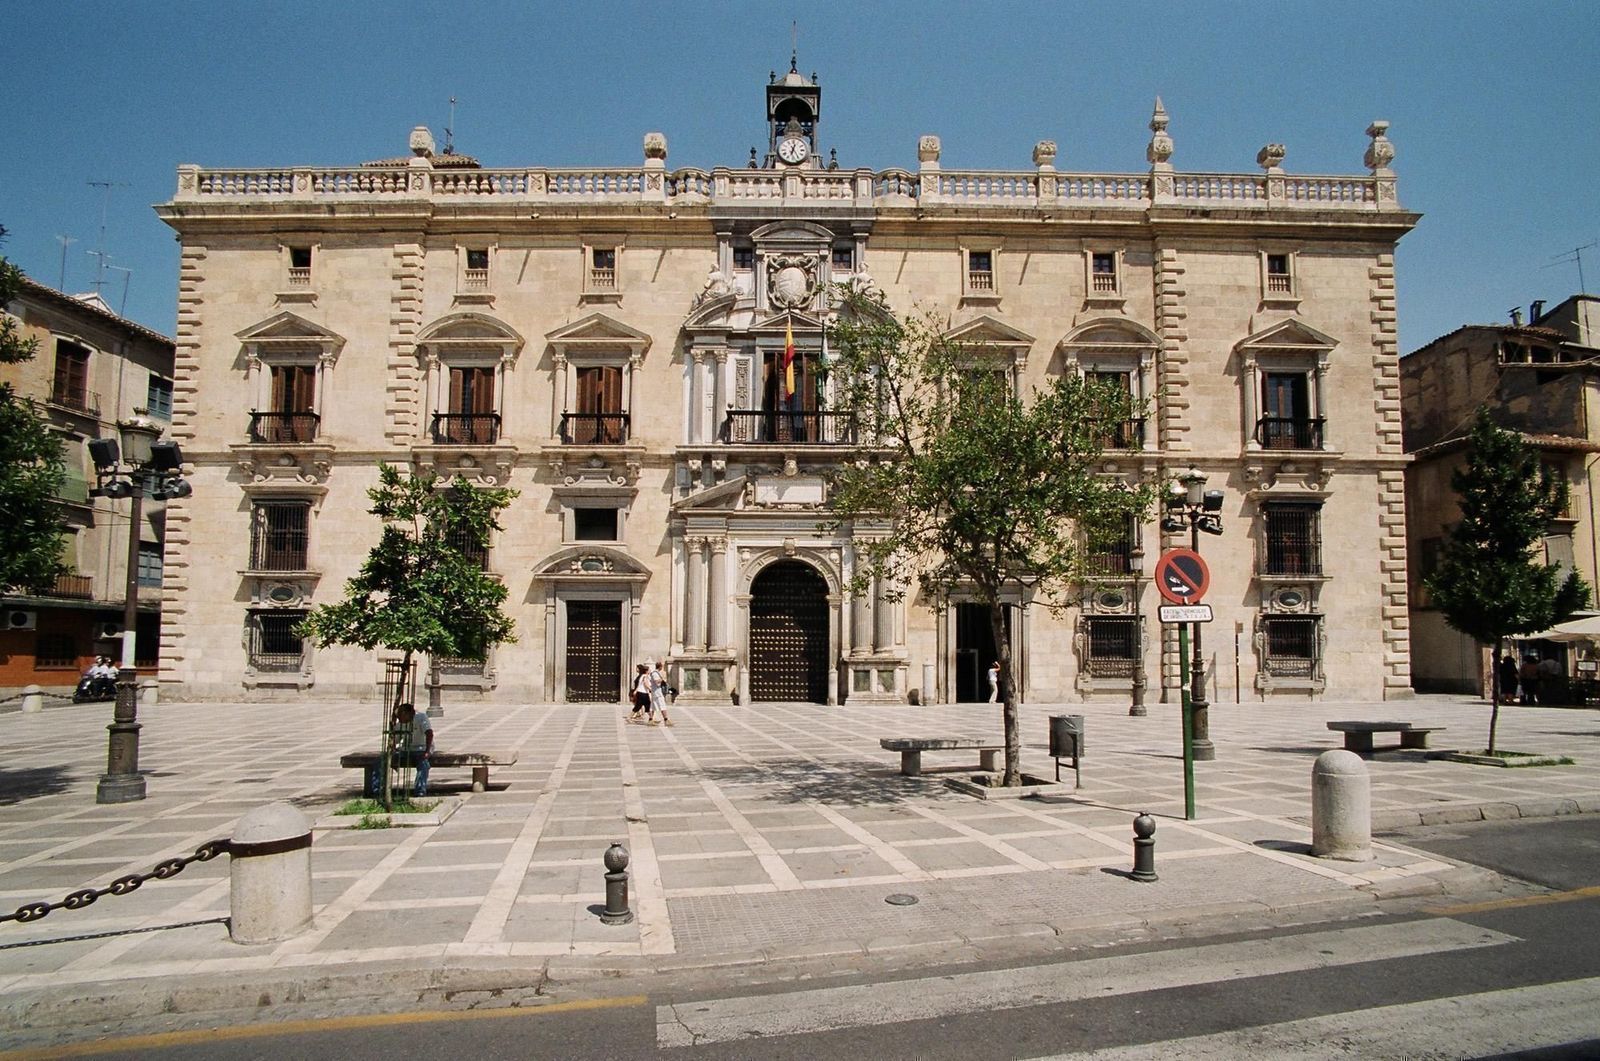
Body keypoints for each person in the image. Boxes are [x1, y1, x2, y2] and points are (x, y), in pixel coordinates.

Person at [394, 702, 433, 797]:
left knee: (423, 765)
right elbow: (395, 740)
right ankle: (377, 789)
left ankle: (420, 790)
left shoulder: (421, 718)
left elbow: (429, 733)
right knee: (381, 761)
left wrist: (427, 751)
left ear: (407, 714)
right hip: (406, 749)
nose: (399, 719)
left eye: (400, 716)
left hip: (421, 748)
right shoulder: (400, 724)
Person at [648, 659, 673, 726]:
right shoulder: (655, 673)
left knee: (652, 707)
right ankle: (666, 720)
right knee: (662, 706)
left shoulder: (655, 673)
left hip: (656, 692)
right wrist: (662, 679)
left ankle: (650, 720)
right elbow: (656, 682)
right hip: (657, 693)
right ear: (660, 667)